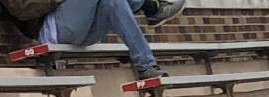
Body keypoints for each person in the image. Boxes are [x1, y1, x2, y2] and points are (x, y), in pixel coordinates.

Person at [21, 0, 164, 84]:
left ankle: (146, 66)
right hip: (54, 30)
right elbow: (20, 9)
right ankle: (151, 7)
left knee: (114, 2)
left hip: (84, 28)